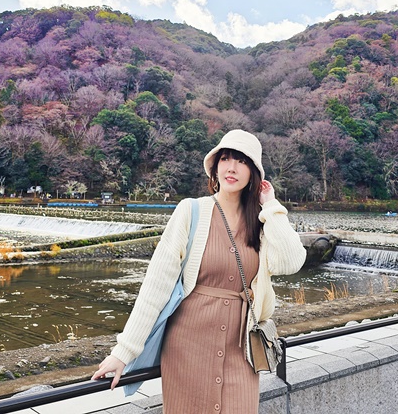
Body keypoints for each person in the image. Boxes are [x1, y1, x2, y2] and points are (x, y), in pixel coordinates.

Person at [91, 129, 306, 413]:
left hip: (241, 350)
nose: (232, 167)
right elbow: (156, 286)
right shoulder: (191, 211)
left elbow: (292, 261)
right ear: (215, 167)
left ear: (253, 172)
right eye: (226, 159)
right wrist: (124, 352)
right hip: (188, 348)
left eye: (242, 161)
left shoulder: (261, 221)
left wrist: (271, 205)